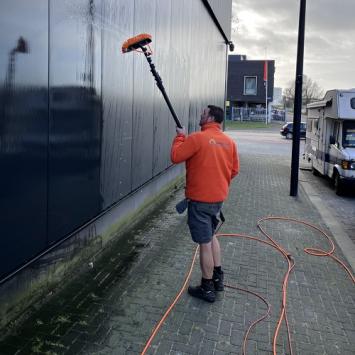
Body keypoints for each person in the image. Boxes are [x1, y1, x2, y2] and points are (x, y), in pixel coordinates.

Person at [171, 105, 239, 302]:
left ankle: (207, 287)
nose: (201, 115)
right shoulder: (229, 142)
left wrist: (180, 137)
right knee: (211, 236)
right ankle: (218, 278)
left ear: (210, 117)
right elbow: (234, 171)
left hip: (200, 201)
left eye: (203, 112)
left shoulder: (196, 139)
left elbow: (176, 156)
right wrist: (218, 182)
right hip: (217, 200)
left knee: (205, 243)